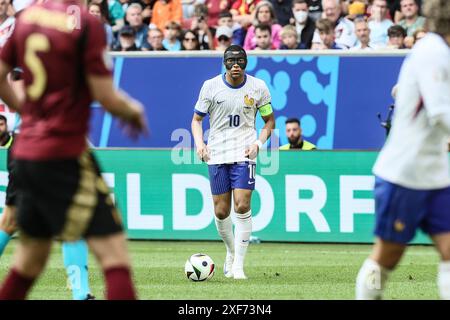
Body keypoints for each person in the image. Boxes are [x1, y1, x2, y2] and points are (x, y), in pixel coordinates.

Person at [0, 0, 147, 300]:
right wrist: (133, 111)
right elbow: (105, 96)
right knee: (114, 253)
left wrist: (26, 110)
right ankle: (81, 294)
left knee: (30, 256)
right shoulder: (86, 24)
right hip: (64, 151)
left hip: (25, 148)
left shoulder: (23, 20)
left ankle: (81, 294)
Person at [355, 0, 450, 300]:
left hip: (435, 174)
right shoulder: (432, 51)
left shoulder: (439, 52)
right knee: (387, 257)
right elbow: (440, 112)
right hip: (404, 174)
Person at [191, 45, 275, 280]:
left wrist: (258, 144)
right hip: (217, 153)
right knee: (221, 211)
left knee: (241, 205)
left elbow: (269, 122)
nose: (236, 64)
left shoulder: (258, 87)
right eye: (231, 61)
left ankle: (238, 265)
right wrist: (200, 144)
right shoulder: (211, 86)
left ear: (246, 62)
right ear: (224, 63)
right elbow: (196, 120)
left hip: (244, 152)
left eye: (240, 60)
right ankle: (230, 250)